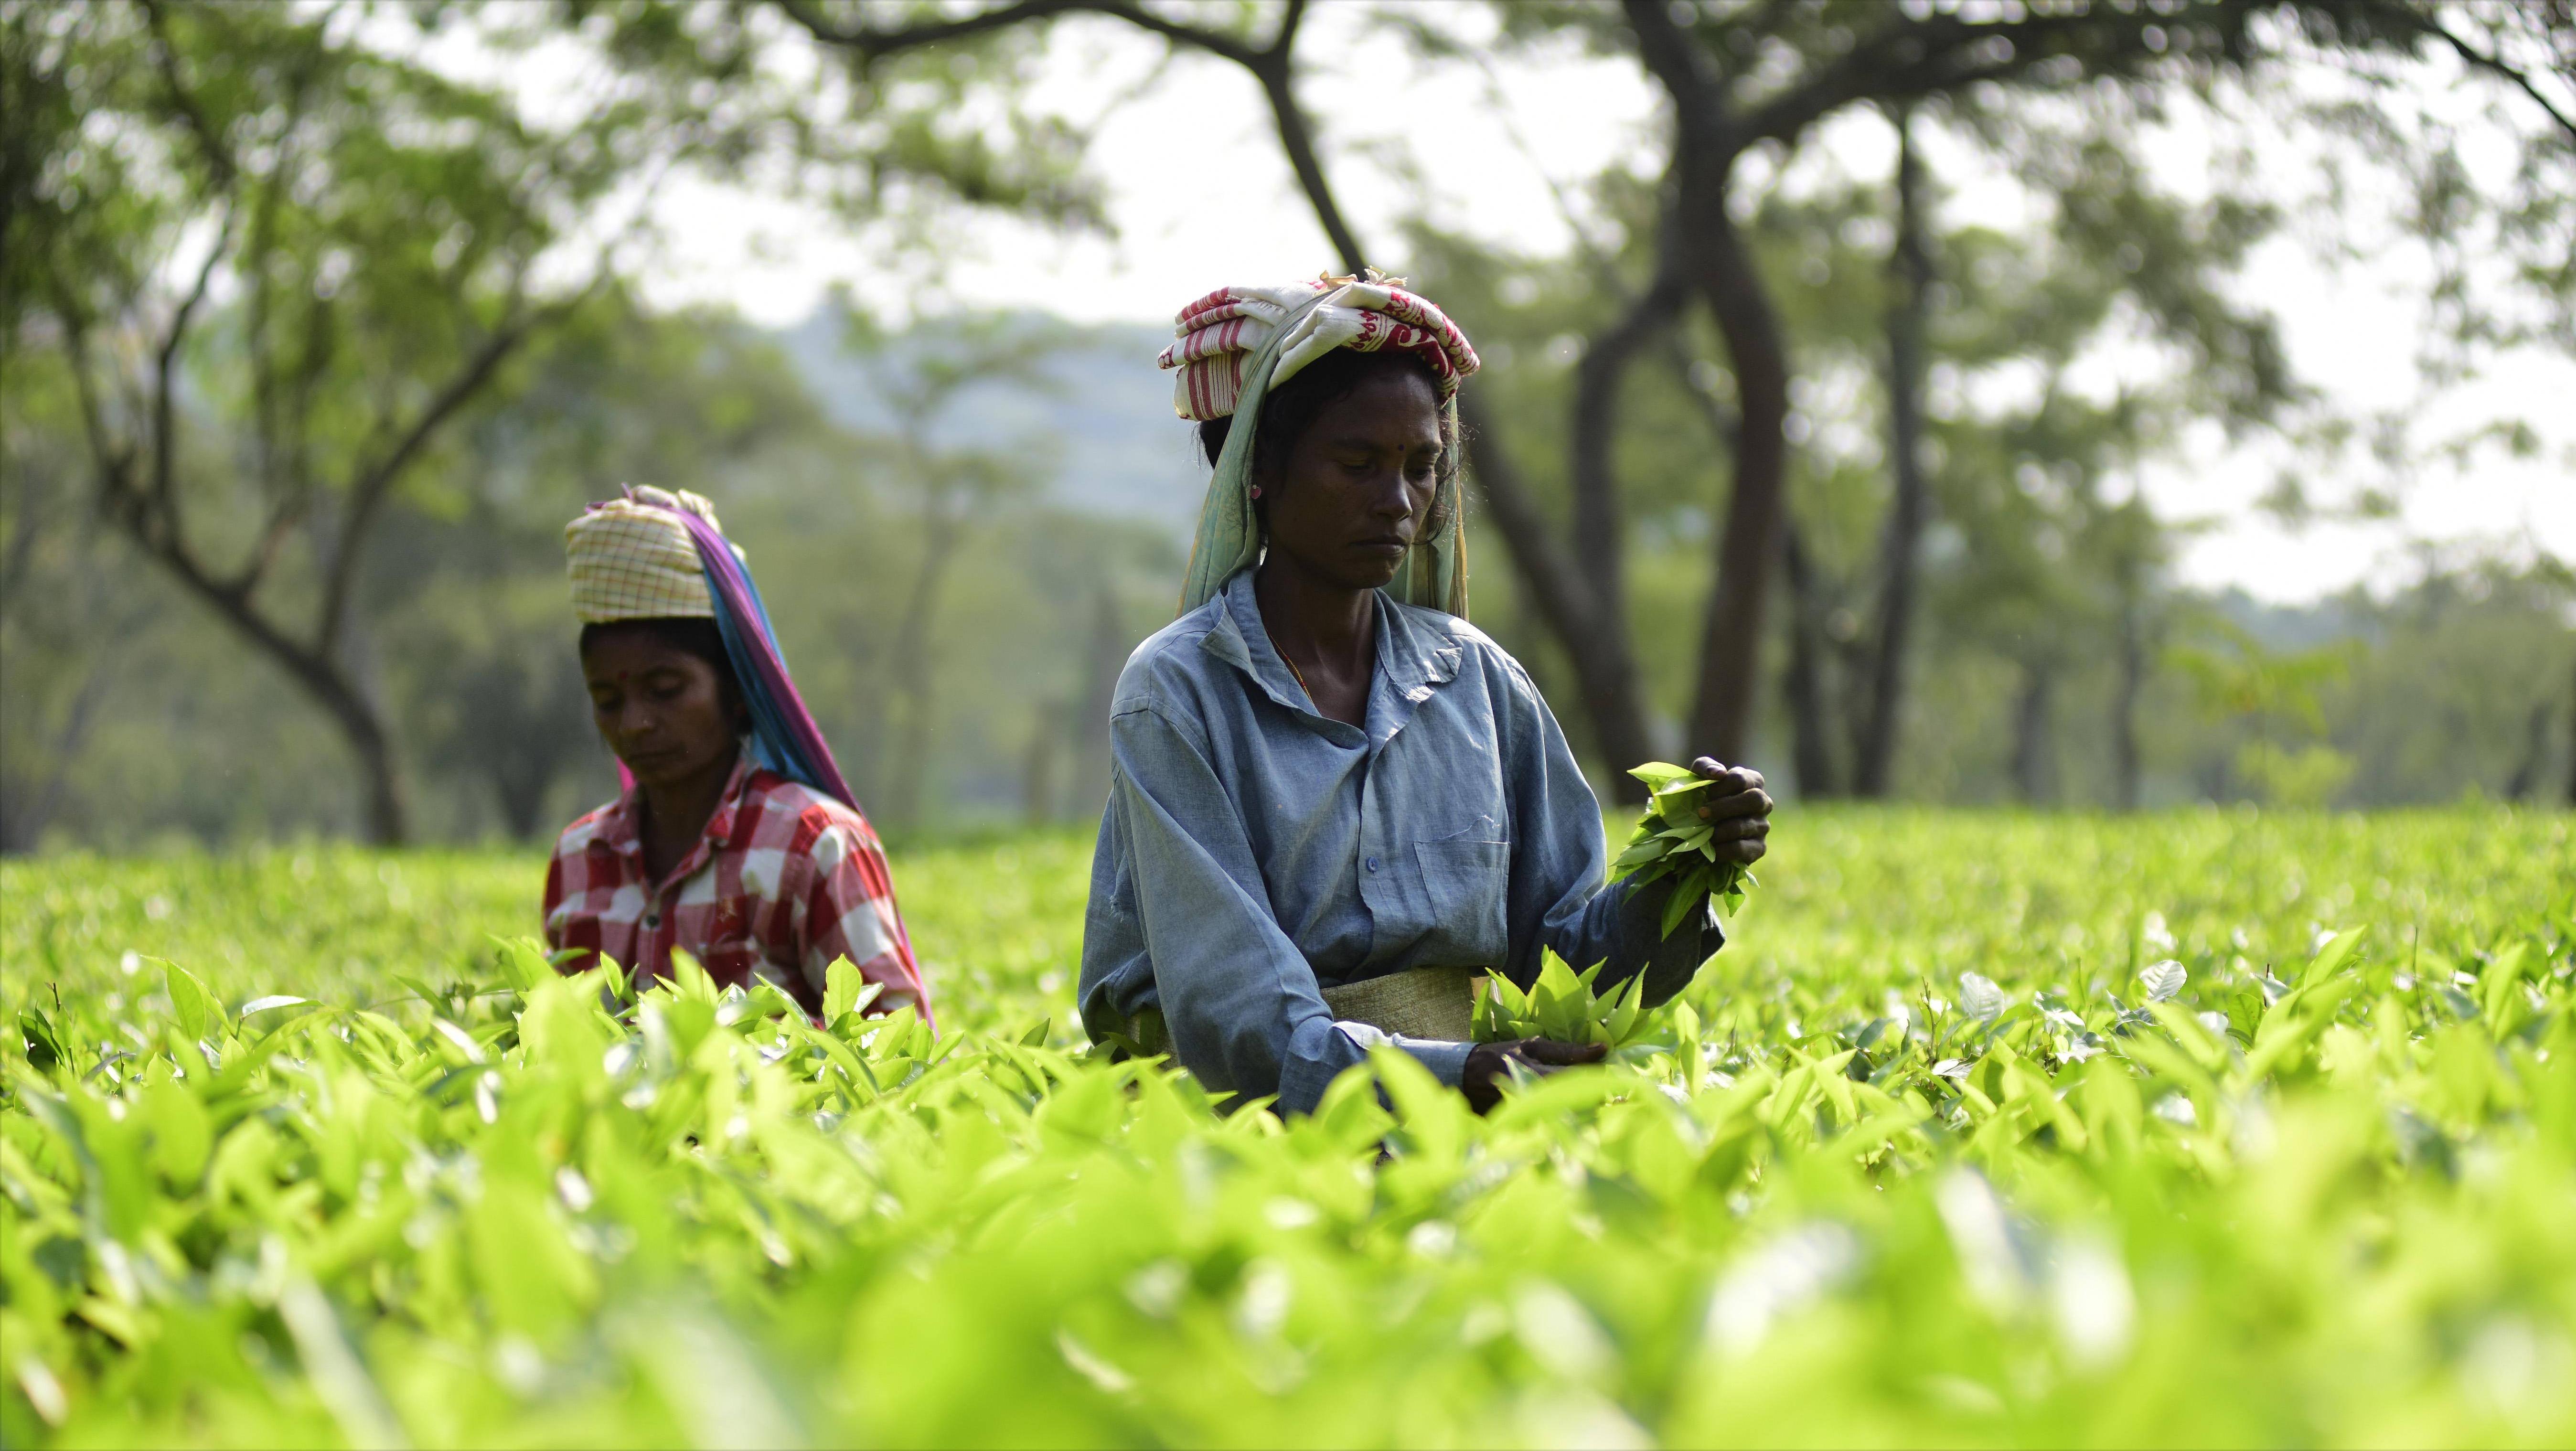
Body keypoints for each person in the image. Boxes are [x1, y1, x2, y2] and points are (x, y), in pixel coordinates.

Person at [1080, 275, 1771, 1114]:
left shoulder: (1480, 684)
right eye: (1357, 464)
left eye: (1421, 468)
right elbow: (1238, 1016)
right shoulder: (1177, 695)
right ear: (1259, 467)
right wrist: (1455, 1075)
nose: (1398, 502)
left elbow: (1562, 961)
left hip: (1465, 1122)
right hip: (1247, 1134)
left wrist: (1684, 866)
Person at [543, 486, 930, 1024]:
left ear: (738, 690)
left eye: (666, 689)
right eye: (608, 700)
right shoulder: (580, 857)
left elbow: (894, 1040)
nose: (634, 723)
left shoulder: (814, 845)